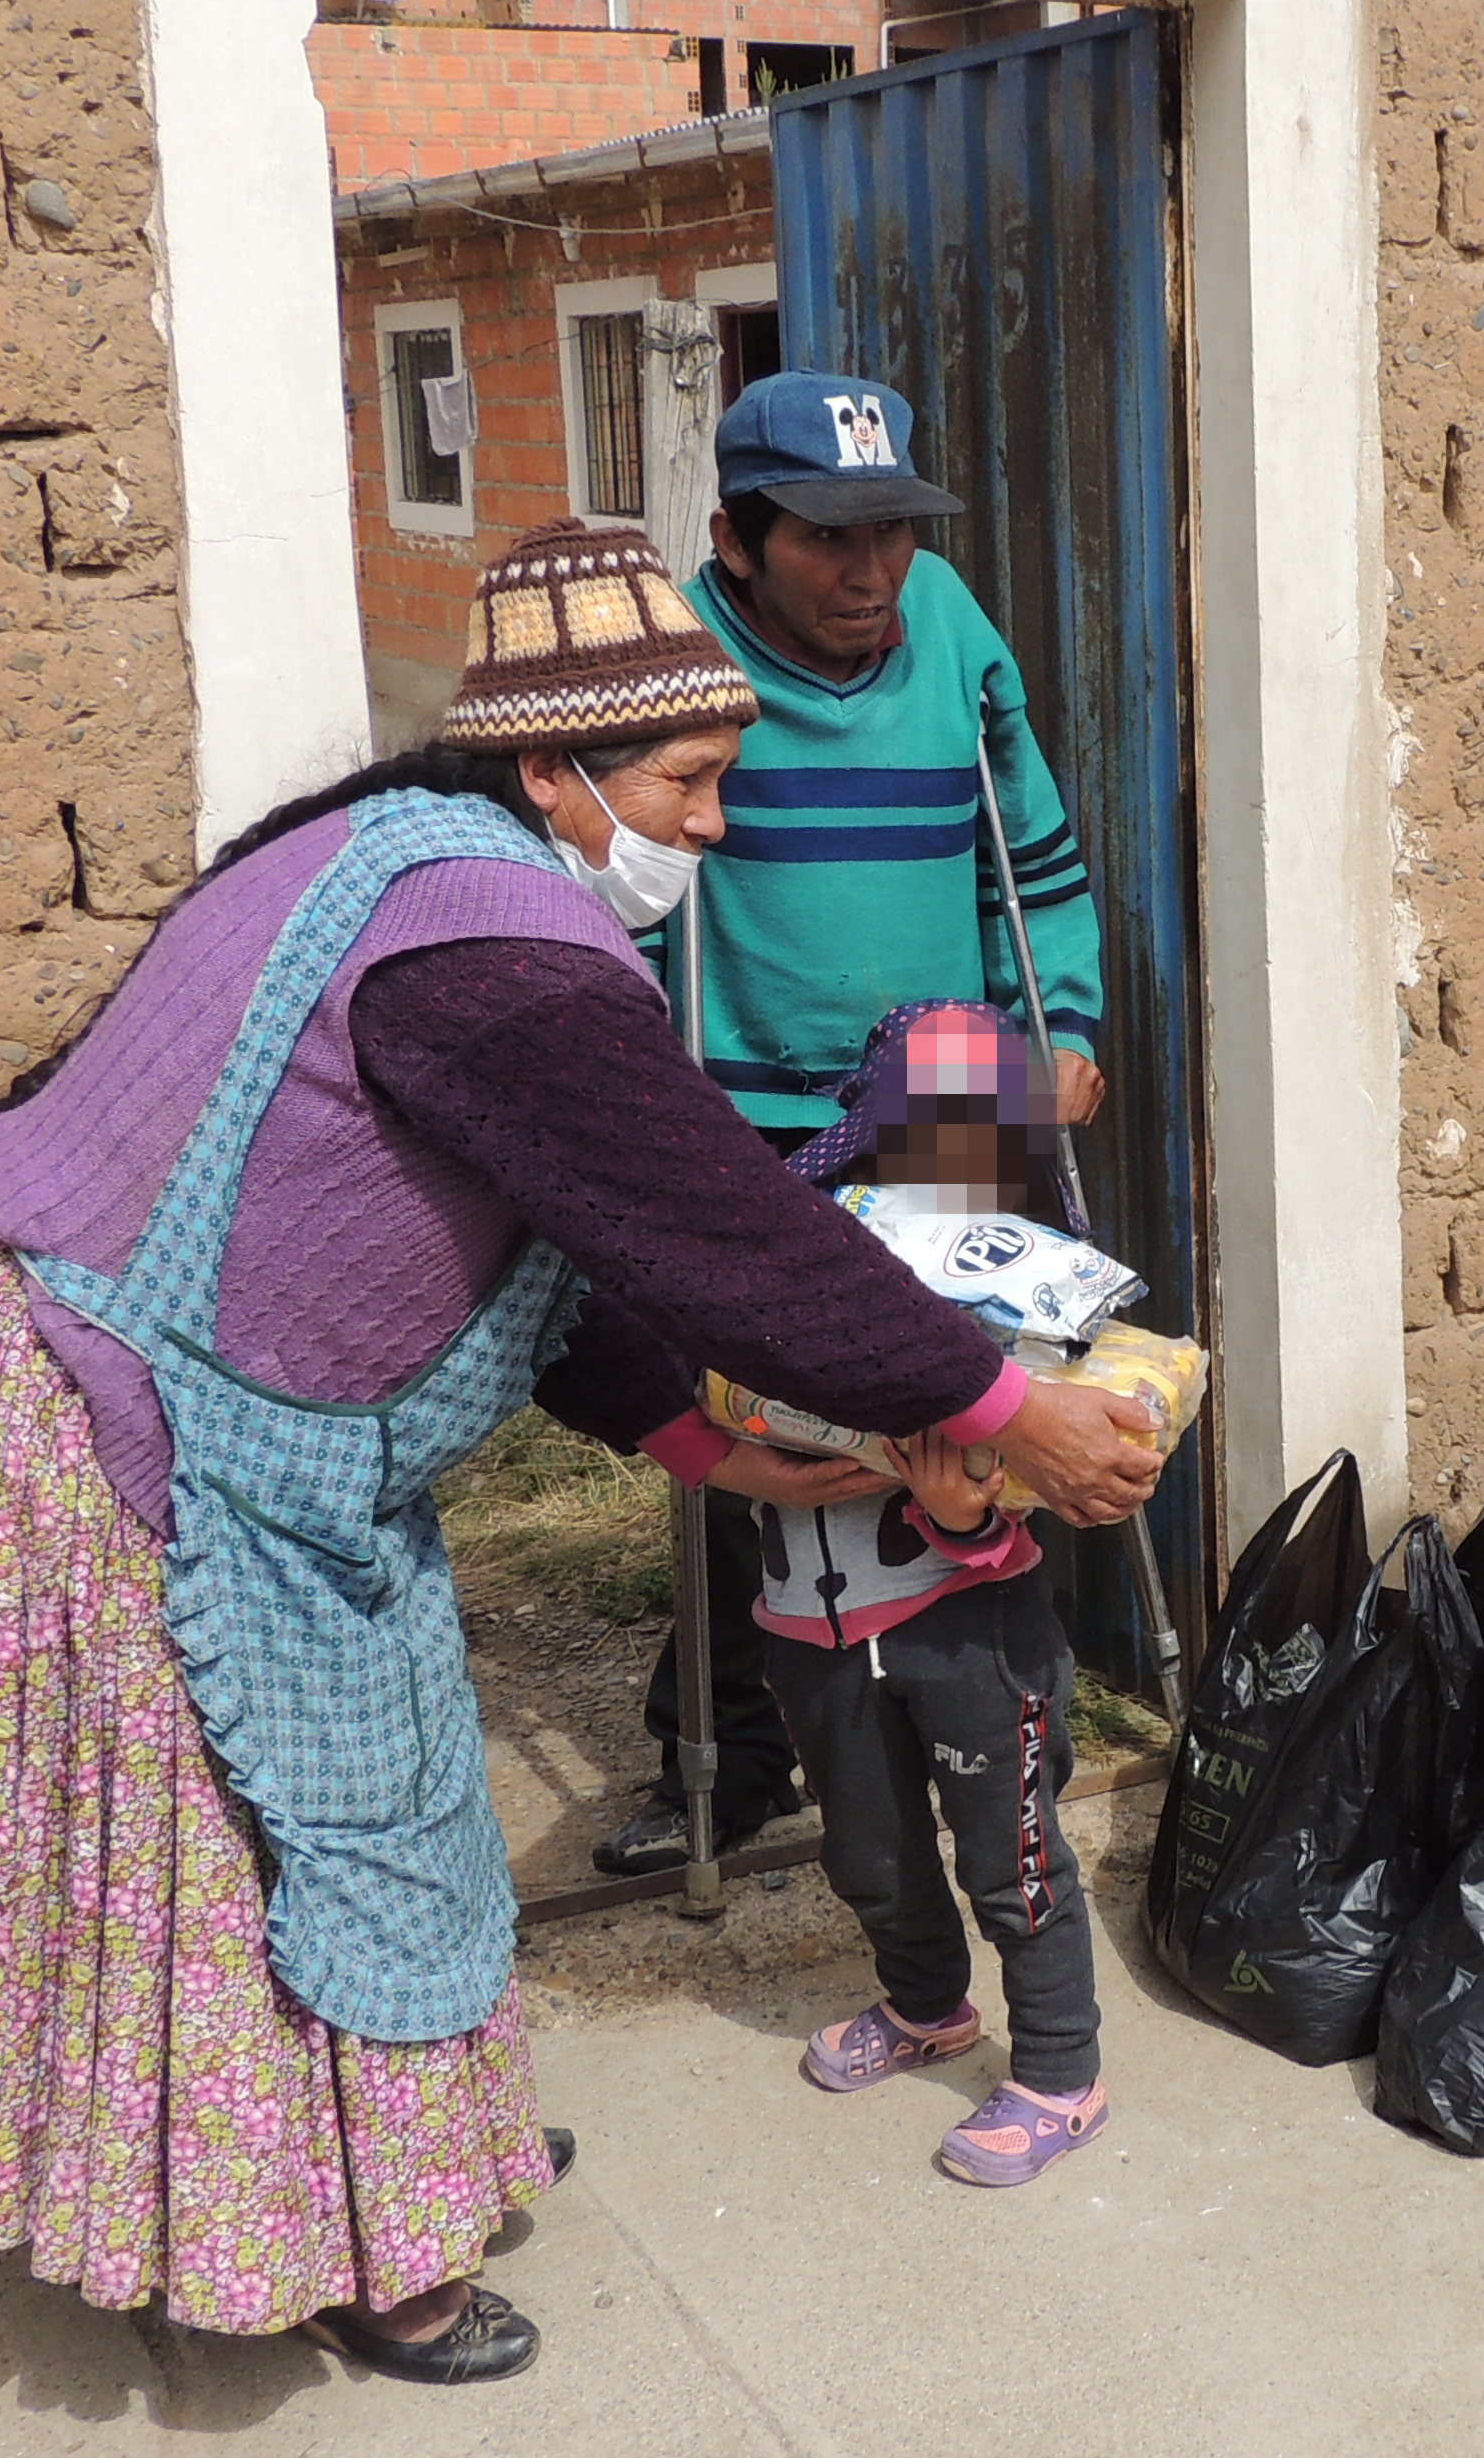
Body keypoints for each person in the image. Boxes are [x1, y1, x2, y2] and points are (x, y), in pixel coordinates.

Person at [0, 520, 1158, 2389]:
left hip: (181, 1401)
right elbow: (712, 1235)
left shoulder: (397, 864)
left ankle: (405, 2152)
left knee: (383, 1791)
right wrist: (1004, 1408)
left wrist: (716, 1448)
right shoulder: (500, 950)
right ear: (550, 768)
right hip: (112, 1431)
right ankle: (357, 2248)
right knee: (283, 1853)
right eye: (689, 781)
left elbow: (556, 1237)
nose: (718, 823)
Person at [595, 367, 1112, 1877]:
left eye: (890, 528)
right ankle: (735, 1752)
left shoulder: (947, 621)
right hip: (740, 1105)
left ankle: (1012, 1721)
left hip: (948, 1087)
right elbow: (625, 895)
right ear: (737, 539)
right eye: (828, 537)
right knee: (754, 1441)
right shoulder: (677, 653)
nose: (871, 568)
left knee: (977, 1408)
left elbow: (1035, 851)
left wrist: (1061, 1023)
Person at [756, 999, 1114, 2187]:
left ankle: (1061, 2072)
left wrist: (960, 1514)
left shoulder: (1031, 1282)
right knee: (868, 1851)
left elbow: (1046, 1457)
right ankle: (924, 2008)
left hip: (967, 1631)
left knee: (1011, 1860)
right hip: (809, 1626)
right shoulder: (814, 1244)